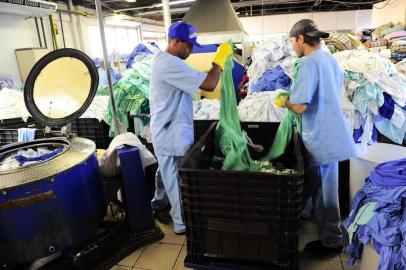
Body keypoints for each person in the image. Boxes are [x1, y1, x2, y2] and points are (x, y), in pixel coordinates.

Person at [149, 21, 232, 234]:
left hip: (170, 130)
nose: (191, 50)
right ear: (175, 41)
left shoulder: (167, 61)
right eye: (188, 45)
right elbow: (210, 84)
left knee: (164, 173)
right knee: (175, 179)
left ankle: (157, 205)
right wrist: (219, 62)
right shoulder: (169, 63)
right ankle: (181, 224)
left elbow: (197, 78)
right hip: (171, 134)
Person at [281, 19, 357, 254]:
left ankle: (331, 241)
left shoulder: (309, 63)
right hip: (331, 131)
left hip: (322, 136)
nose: (292, 46)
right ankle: (326, 229)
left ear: (301, 39)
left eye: (292, 41)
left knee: (326, 192)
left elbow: (301, 106)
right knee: (324, 188)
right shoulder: (329, 60)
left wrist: (284, 101)